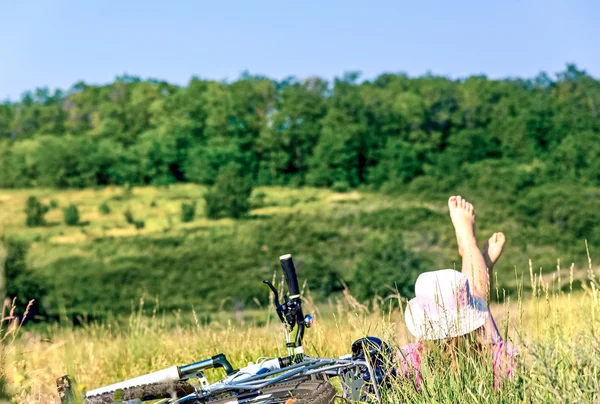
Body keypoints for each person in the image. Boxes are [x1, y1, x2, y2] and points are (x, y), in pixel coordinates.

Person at [398, 196, 516, 389]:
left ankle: (473, 254)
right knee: (476, 294)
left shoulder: (410, 359)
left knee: (476, 294)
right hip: (490, 362)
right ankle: (469, 245)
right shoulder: (497, 358)